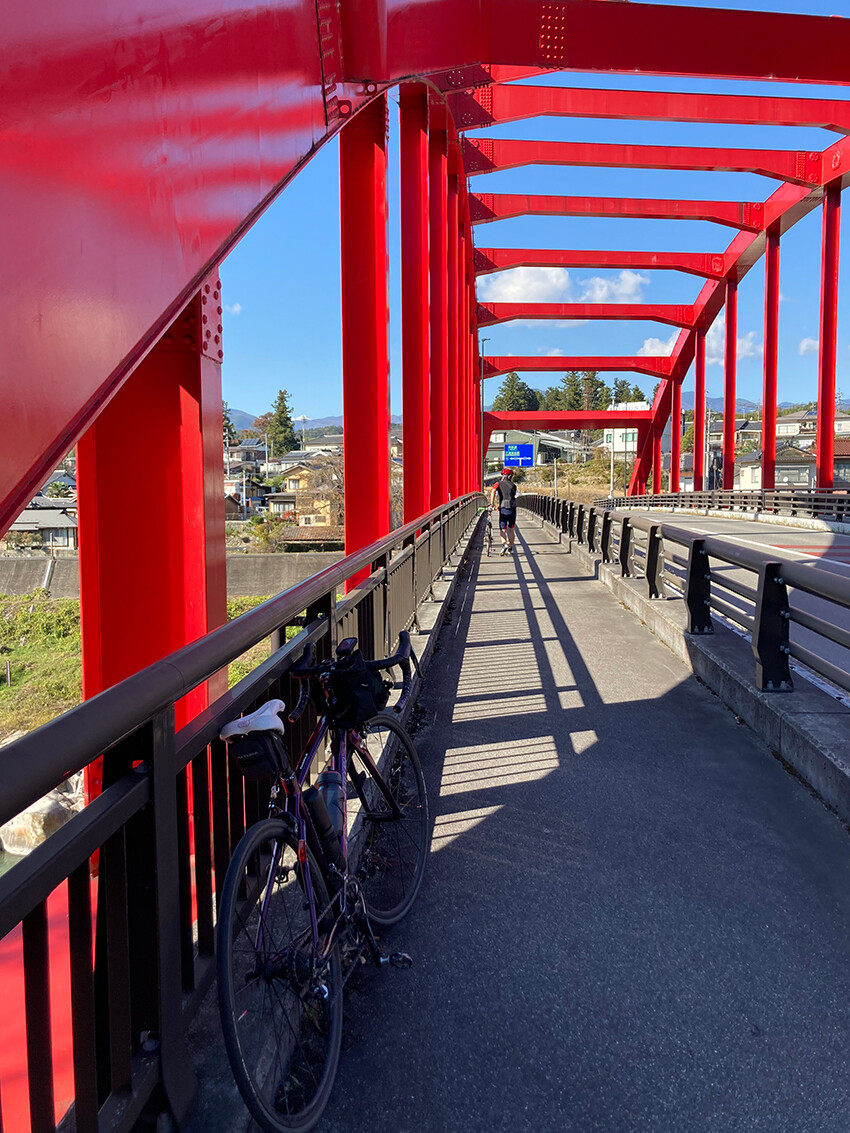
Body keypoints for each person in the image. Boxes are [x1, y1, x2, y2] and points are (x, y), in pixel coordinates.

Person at [491, 467, 518, 555]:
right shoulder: (514, 486)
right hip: (512, 509)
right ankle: (510, 546)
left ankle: (505, 544)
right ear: (510, 476)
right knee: (511, 529)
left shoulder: (498, 484)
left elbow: (493, 491)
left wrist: (492, 503)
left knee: (503, 529)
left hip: (503, 509)